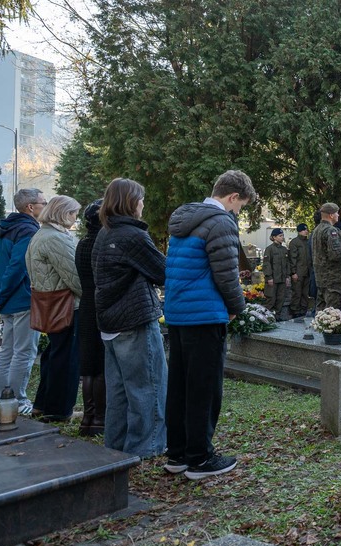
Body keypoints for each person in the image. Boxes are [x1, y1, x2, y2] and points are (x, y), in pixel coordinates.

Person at [164, 170, 255, 479]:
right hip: (204, 315)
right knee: (204, 388)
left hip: (178, 313)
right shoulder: (220, 222)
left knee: (179, 386)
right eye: (241, 205)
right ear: (232, 198)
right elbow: (227, 274)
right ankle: (200, 458)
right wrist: (236, 308)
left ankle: (177, 453)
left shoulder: (184, 218)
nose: (239, 212)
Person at [93, 178, 168, 457]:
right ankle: (146, 447)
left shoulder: (105, 232)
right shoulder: (132, 235)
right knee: (148, 387)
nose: (143, 203)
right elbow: (163, 271)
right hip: (134, 320)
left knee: (120, 393)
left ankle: (115, 447)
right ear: (130, 202)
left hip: (110, 322)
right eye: (141, 198)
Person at [26, 196, 82, 422]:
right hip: (66, 305)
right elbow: (74, 276)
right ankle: (59, 410)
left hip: (51, 303)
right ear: (62, 213)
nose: (75, 217)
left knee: (54, 353)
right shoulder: (55, 238)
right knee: (66, 358)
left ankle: (43, 404)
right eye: (72, 213)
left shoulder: (43, 235)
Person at [0, 189, 45, 415]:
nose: (46, 206)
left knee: (7, 351)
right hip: (23, 299)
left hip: (6, 300)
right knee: (24, 352)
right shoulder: (28, 230)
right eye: (43, 202)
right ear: (30, 207)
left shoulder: (5, 228)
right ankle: (17, 401)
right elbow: (18, 267)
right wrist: (2, 296)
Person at [75, 199, 106, 436]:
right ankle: (100, 417)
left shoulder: (82, 244)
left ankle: (88, 416)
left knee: (89, 365)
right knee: (101, 363)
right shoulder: (102, 243)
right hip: (99, 304)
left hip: (86, 303)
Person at [311, 203, 341, 310]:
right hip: (332, 279)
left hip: (320, 277)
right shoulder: (331, 230)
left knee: (321, 311)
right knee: (333, 312)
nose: (338, 216)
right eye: (337, 213)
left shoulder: (316, 230)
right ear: (331, 215)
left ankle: (320, 327)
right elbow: (335, 255)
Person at [262, 228, 289, 320]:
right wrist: (269, 277)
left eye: (282, 236)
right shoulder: (269, 249)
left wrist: (287, 276)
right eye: (280, 236)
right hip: (273, 279)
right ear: (274, 237)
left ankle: (277, 317)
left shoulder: (284, 249)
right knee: (271, 299)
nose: (282, 238)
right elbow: (266, 264)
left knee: (280, 299)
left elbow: (287, 264)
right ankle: (265, 318)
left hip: (282, 279)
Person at [288, 223, 312, 319]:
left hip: (307, 271)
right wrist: (293, 272)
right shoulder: (295, 242)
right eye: (303, 230)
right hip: (298, 271)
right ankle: (295, 310)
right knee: (297, 292)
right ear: (299, 231)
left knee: (305, 293)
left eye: (306, 230)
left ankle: (303, 309)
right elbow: (292, 258)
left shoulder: (308, 242)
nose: (306, 231)